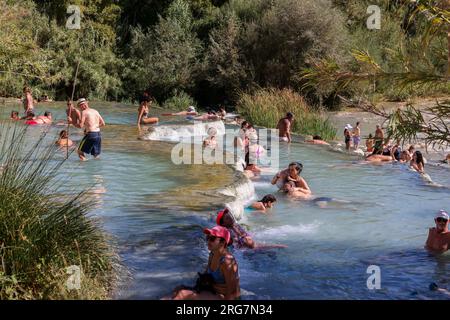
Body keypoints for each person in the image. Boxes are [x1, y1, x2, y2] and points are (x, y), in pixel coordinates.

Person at [170, 225, 240, 300]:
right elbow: (206, 274)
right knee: (178, 289)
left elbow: (234, 291)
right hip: (212, 290)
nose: (208, 241)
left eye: (212, 239)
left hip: (223, 296)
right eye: (208, 238)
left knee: (182, 294)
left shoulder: (227, 261)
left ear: (222, 242)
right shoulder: (212, 254)